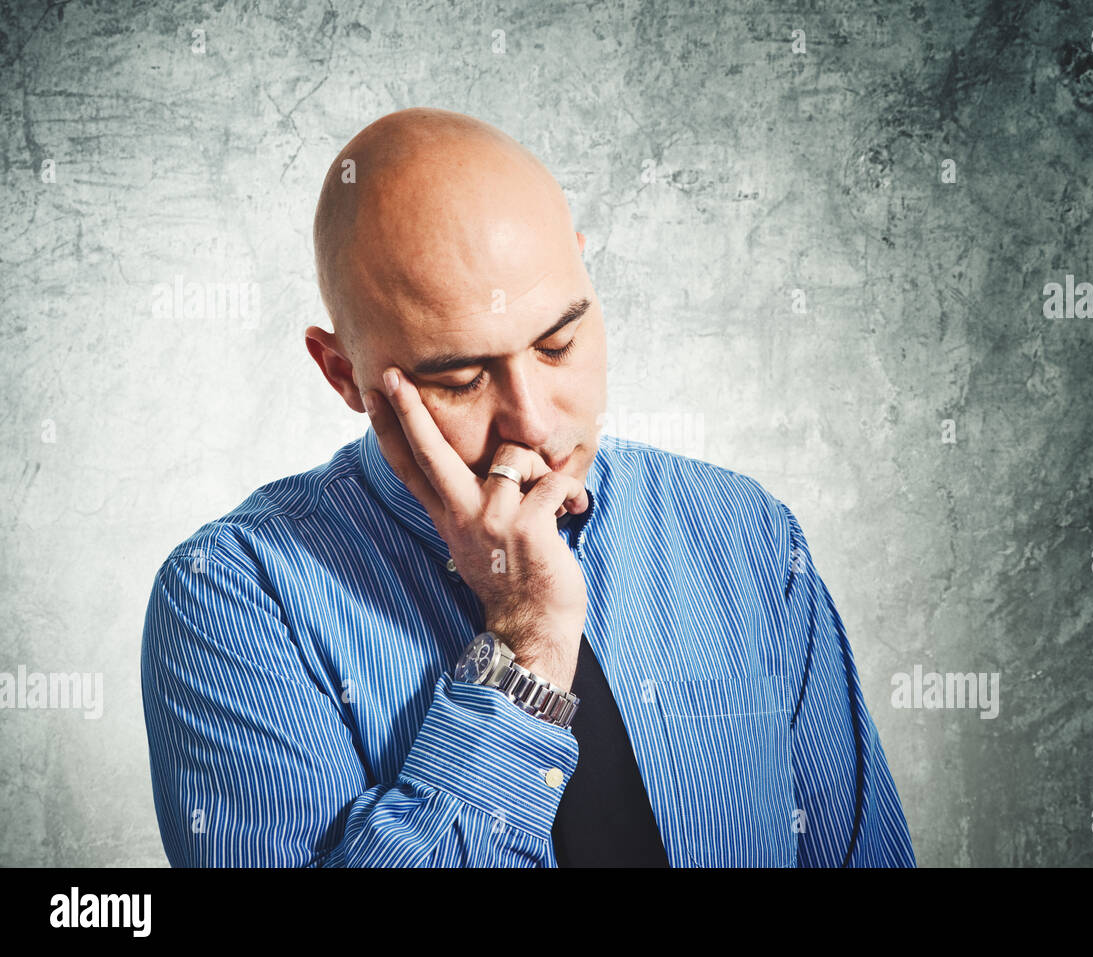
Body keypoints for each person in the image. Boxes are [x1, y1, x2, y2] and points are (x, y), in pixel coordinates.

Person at [140, 107, 916, 868]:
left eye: (558, 343)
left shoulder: (743, 533)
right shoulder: (233, 594)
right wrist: (527, 652)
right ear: (343, 373)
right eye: (462, 377)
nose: (536, 425)